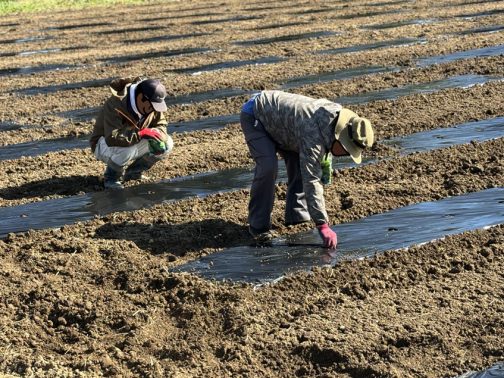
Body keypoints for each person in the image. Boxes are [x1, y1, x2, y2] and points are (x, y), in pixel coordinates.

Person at [240, 90, 374, 249]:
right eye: (348, 150)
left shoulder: (337, 120)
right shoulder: (313, 135)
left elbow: (325, 139)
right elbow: (312, 180)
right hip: (256, 115)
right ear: (342, 140)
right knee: (268, 167)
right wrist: (322, 225)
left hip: (286, 126)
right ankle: (258, 226)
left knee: (299, 161)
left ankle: (297, 216)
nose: (346, 155)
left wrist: (324, 160)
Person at [90, 77, 174, 189]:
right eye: (151, 106)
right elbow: (112, 137)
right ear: (141, 98)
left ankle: (133, 173)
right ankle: (111, 178)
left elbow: (161, 124)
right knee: (128, 149)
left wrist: (158, 134)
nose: (153, 110)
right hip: (103, 144)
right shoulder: (116, 104)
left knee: (167, 143)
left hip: (132, 140)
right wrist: (141, 133)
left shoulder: (152, 106)